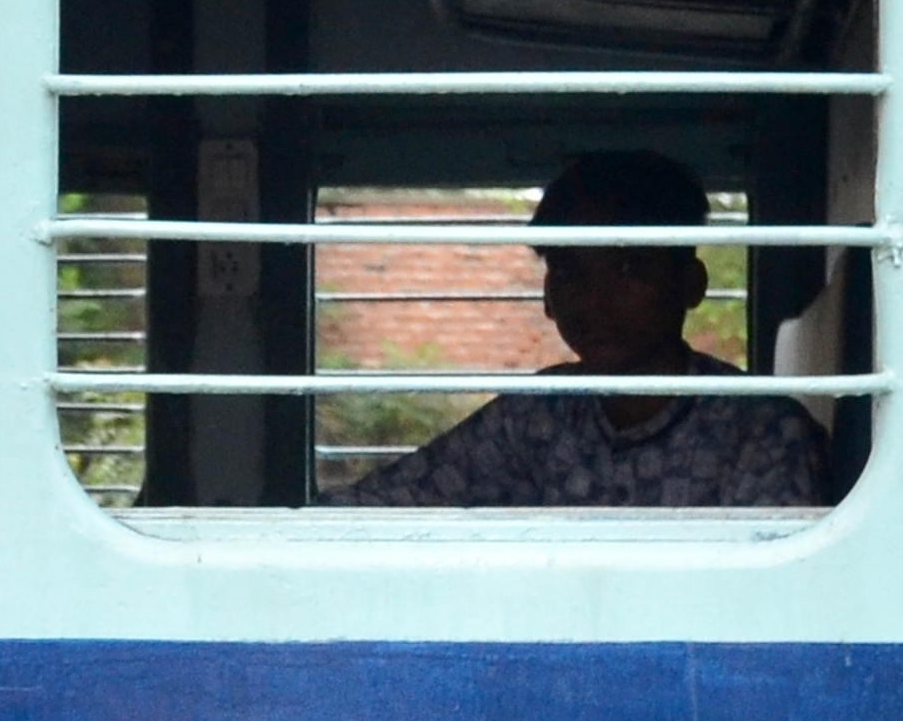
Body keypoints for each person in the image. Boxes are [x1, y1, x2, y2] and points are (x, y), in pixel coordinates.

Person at [330, 151, 830, 507]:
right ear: (547, 295)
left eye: (630, 268)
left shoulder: (760, 431)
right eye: (569, 272)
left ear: (690, 284)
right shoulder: (538, 417)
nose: (595, 299)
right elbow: (391, 503)